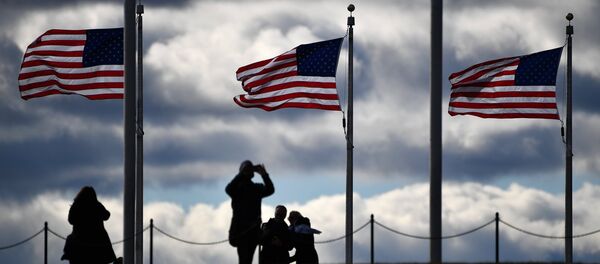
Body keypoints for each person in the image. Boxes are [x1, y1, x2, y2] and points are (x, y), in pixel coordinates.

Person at [226, 160, 275, 264]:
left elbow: (270, 190)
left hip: (250, 230)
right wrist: (262, 174)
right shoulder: (238, 189)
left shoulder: (256, 188)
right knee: (245, 260)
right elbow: (229, 189)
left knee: (246, 260)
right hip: (242, 230)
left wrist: (264, 174)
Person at [61, 186, 119, 264]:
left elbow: (71, 220)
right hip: (97, 240)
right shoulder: (96, 205)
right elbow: (106, 215)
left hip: (79, 240)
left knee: (71, 240)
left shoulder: (77, 204)